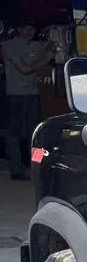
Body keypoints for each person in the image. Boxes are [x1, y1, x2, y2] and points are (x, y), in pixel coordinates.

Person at [3, 21, 48, 179]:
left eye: (32, 28)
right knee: (13, 133)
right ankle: (15, 169)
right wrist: (44, 59)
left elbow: (41, 66)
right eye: (25, 28)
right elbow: (24, 69)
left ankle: (37, 166)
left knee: (36, 133)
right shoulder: (9, 45)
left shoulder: (37, 46)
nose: (29, 32)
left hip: (33, 93)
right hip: (15, 94)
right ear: (18, 29)